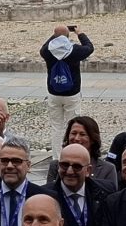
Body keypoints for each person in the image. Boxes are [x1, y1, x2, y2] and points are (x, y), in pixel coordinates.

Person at [40, 23, 93, 156]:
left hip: (54, 94)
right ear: (68, 36)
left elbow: (42, 48)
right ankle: (73, 154)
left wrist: (56, 35)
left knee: (56, 127)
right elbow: (89, 48)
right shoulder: (74, 50)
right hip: (72, 94)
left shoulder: (48, 51)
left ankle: (57, 158)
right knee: (73, 127)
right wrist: (80, 33)